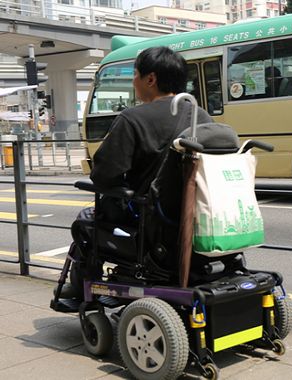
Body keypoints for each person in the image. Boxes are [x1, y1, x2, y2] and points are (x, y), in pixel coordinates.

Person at [57, 46, 211, 299]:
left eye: (135, 74)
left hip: (151, 223)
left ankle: (83, 291)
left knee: (85, 220)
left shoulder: (133, 118)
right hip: (197, 218)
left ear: (150, 79)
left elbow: (104, 175)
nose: (133, 81)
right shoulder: (202, 117)